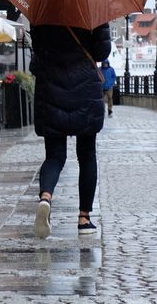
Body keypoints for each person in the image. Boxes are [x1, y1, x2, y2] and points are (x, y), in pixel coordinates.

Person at [31, 22, 113, 239]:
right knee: (86, 156)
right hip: (85, 87)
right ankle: (84, 218)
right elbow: (101, 52)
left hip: (51, 87)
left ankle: (46, 197)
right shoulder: (92, 10)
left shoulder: (43, 10)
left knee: (54, 156)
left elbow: (38, 50)